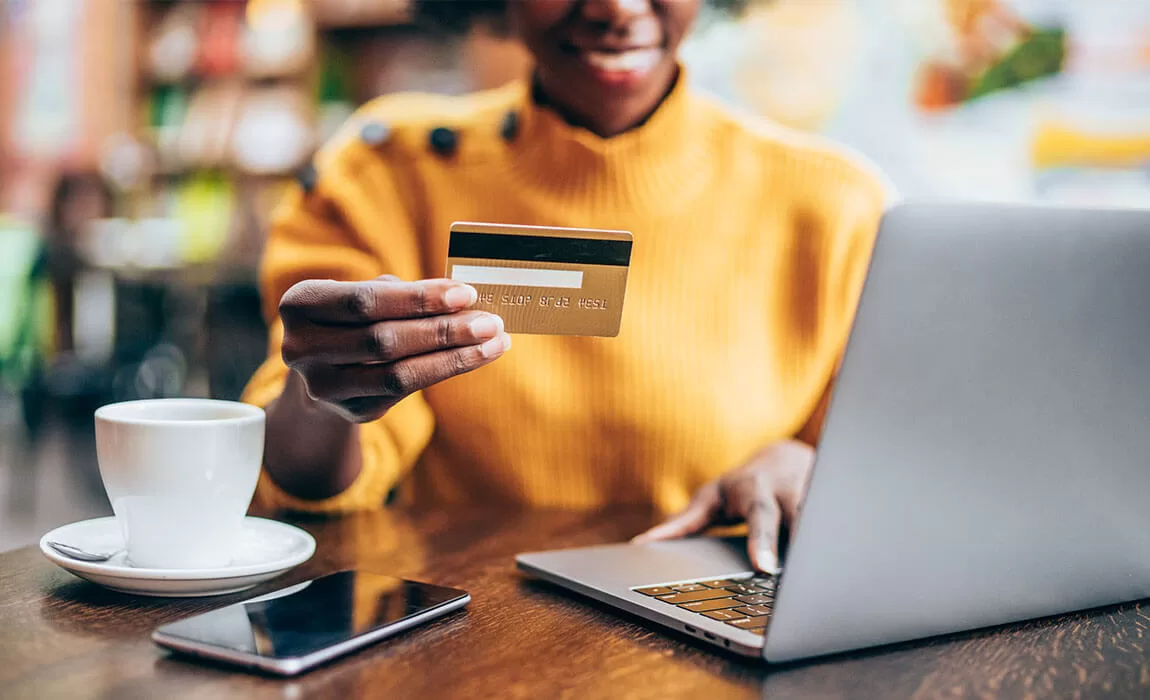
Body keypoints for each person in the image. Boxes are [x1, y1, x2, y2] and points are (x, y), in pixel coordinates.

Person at [243, 0, 889, 573]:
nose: (616, 8)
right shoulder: (387, 173)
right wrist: (320, 400)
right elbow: (303, 479)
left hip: (713, 642)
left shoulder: (834, 208)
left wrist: (813, 470)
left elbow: (889, 471)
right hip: (464, 644)